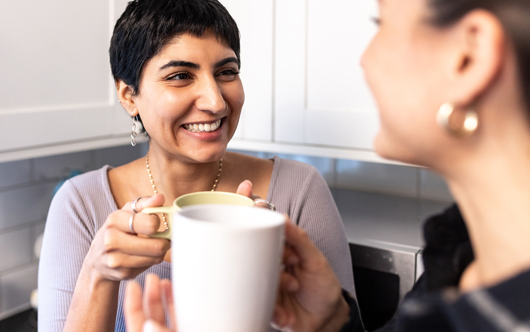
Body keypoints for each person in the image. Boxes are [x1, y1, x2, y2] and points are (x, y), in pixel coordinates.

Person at [123, 0, 530, 330]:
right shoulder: (460, 262)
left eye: (381, 24)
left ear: (469, 57)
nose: (365, 60)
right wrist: (332, 321)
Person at [37, 0, 356, 331]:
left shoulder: (299, 189)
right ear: (130, 95)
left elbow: (338, 321)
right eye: (180, 76)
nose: (216, 101)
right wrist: (98, 274)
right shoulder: (81, 203)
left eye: (226, 72)